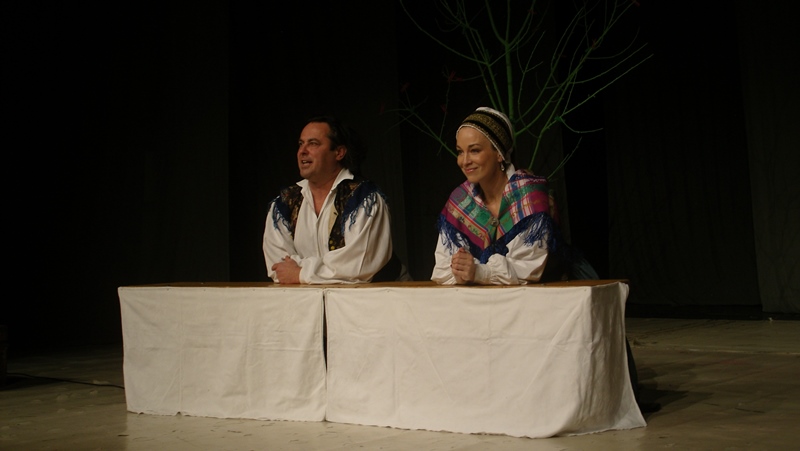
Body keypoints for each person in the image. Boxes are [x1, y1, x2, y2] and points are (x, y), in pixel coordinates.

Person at [431, 106, 571, 285]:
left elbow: (527, 269)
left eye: (474, 150)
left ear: (499, 153)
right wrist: (461, 269)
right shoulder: (461, 200)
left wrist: (478, 272)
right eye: (460, 151)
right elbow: (442, 269)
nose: (464, 161)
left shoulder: (529, 196)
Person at [263, 115, 404, 284]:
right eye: (301, 144)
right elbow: (279, 267)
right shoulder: (284, 203)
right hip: (309, 297)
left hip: (380, 295)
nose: (302, 151)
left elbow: (359, 265)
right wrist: (307, 273)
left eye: (313, 143)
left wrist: (301, 273)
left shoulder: (364, 198)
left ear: (339, 152)